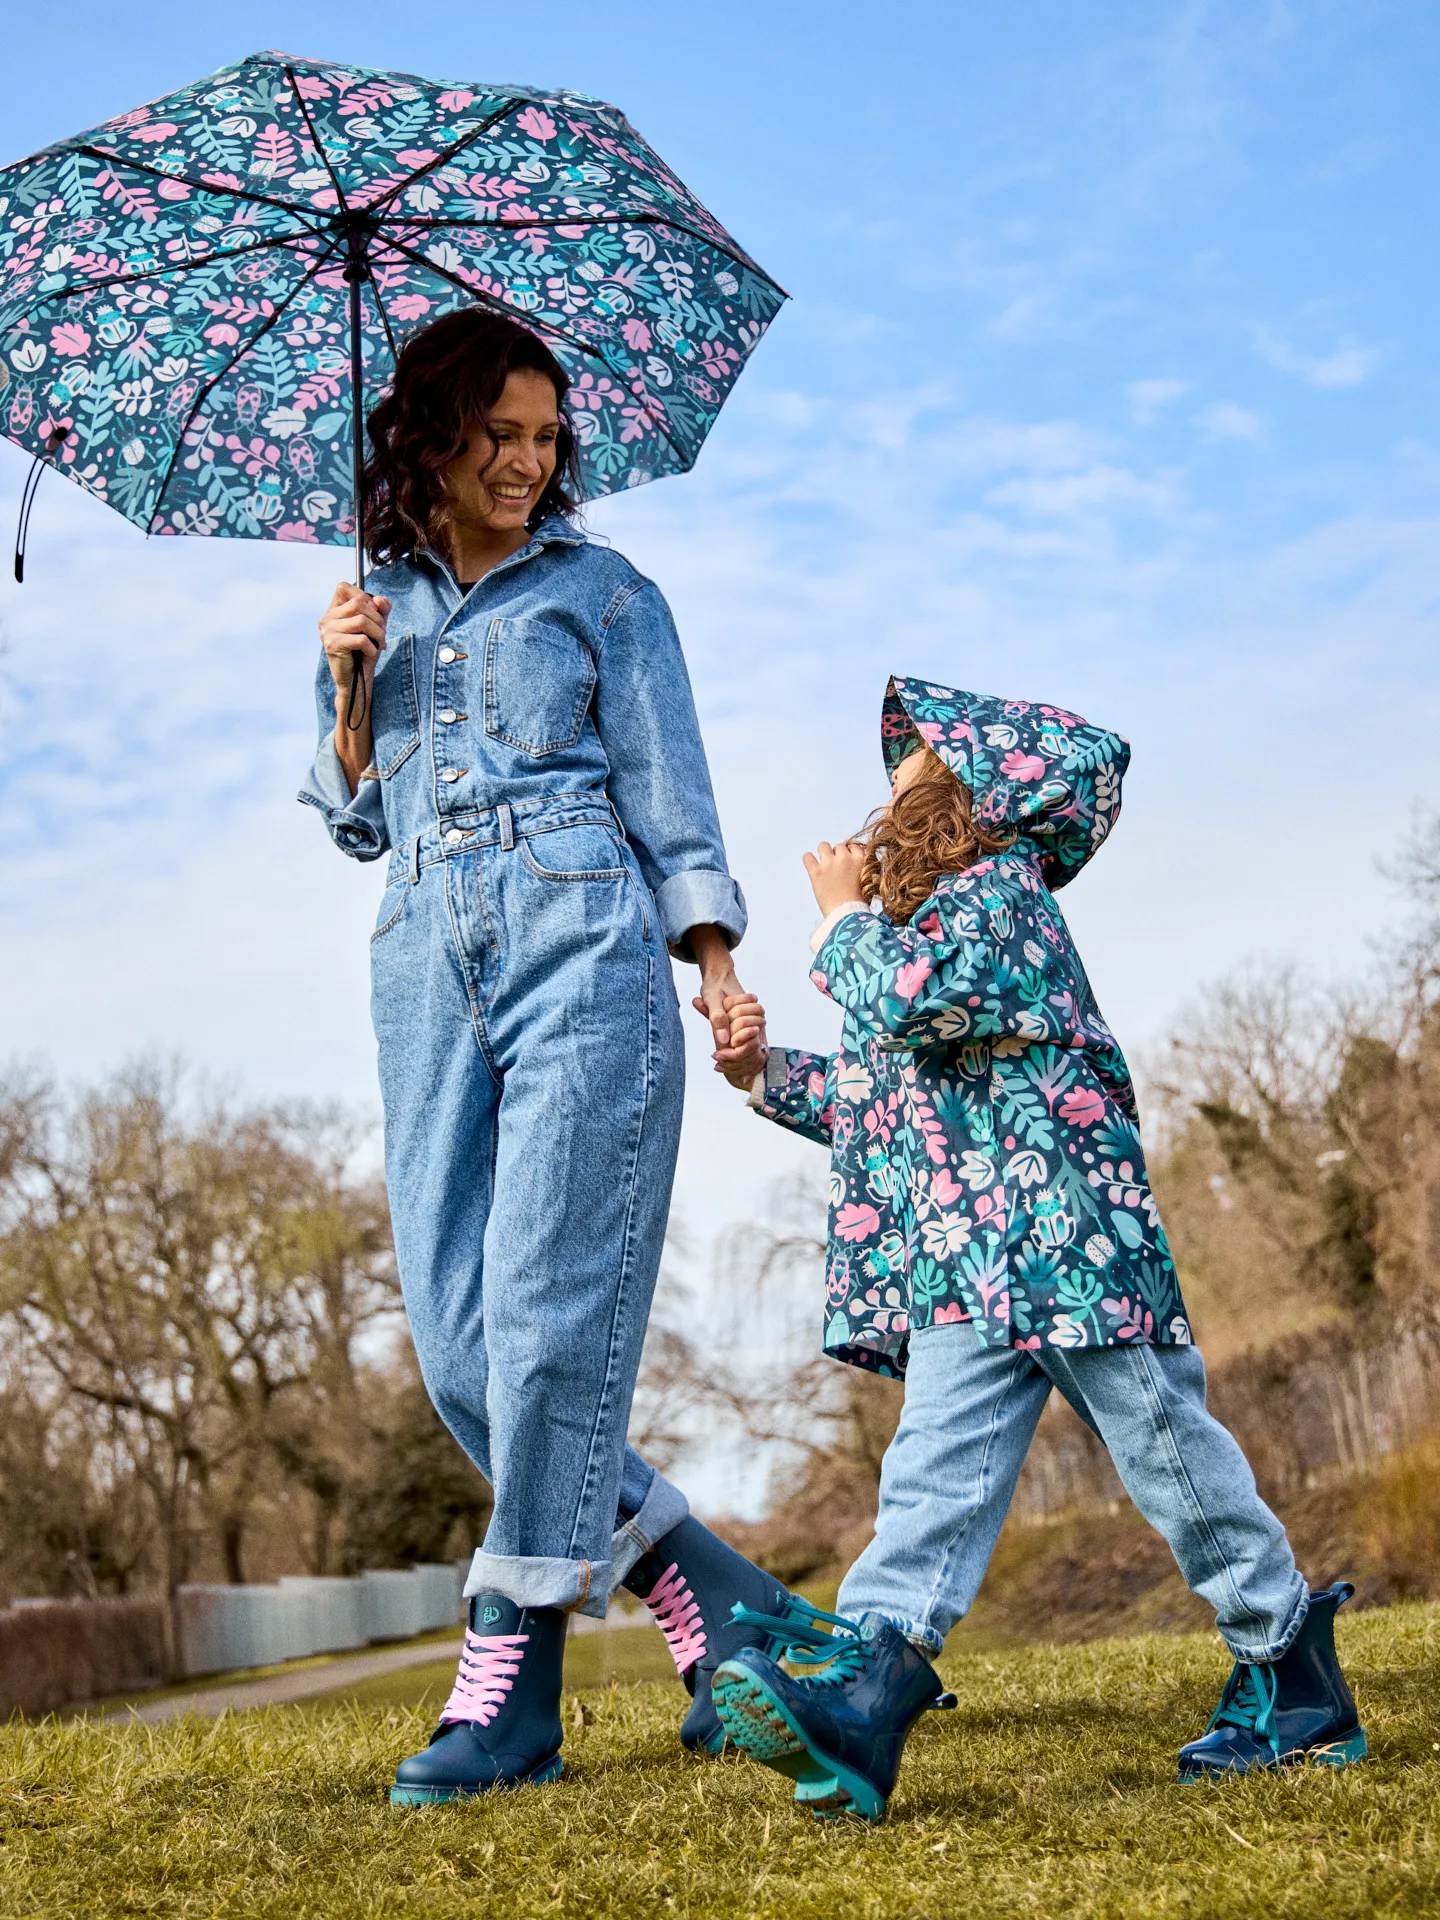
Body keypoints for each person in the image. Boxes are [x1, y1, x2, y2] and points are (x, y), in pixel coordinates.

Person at [709, 676, 1365, 1822]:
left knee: (1170, 1455)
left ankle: (1293, 1672)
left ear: (976, 793)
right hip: (970, 1263)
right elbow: (881, 1092)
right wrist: (761, 1072)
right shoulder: (937, 928)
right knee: (931, 1478)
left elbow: (909, 1001)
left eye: (913, 767)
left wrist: (837, 920)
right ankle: (865, 1696)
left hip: (1064, 1239)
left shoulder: (1001, 898)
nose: (889, 788)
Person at [299, 310, 800, 1803]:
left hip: (584, 941)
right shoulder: (369, 608)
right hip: (419, 959)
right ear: (431, 442)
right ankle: (713, 1589)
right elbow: (351, 820)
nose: (525, 461)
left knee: (547, 1315)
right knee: (462, 1339)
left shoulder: (608, 592)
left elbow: (673, 794)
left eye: (544, 436)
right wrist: (344, 696)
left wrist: (714, 969)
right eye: (497, 434)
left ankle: (507, 1675)